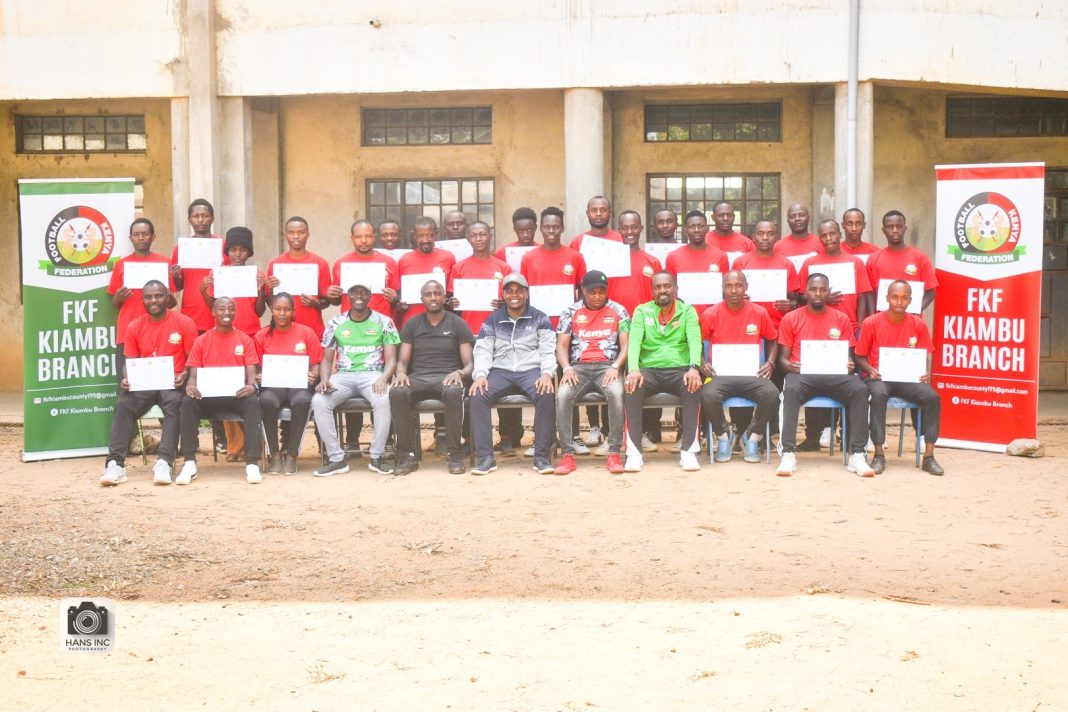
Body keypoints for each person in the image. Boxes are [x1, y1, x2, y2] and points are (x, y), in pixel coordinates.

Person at [775, 273, 875, 478]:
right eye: (813, 289)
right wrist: (792, 366)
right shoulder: (791, 318)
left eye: (822, 289)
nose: (818, 293)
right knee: (790, 390)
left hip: (834, 374)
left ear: (828, 292)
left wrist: (848, 365)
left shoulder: (841, 318)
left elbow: (850, 358)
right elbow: (782, 360)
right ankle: (788, 453)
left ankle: (858, 454)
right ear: (805, 292)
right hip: (803, 374)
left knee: (860, 389)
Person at [100, 281, 197, 486]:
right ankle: (115, 464)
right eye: (148, 297)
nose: (153, 301)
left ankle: (164, 461)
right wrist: (127, 378)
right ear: (143, 299)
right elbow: (130, 362)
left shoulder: (184, 323)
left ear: (168, 297)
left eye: (158, 296)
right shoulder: (135, 326)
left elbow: (193, 360)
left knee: (174, 405)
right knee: (123, 404)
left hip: (172, 382)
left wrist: (185, 375)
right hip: (144, 383)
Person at [468, 274, 557, 476]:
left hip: (531, 370)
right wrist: (481, 375)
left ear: (526, 293)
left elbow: (547, 350)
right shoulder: (492, 320)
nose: (514, 295)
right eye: (509, 291)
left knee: (546, 393)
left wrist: (546, 374)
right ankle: (486, 457)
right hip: (501, 371)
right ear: (504, 295)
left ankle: (541, 456)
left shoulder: (540, 318)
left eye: (519, 291)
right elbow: (482, 350)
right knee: (477, 395)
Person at [855, 281, 944, 476]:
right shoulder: (872, 322)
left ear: (911, 301)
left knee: (932, 397)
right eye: (895, 297)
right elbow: (859, 356)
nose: (899, 302)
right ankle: (878, 454)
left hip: (908, 379)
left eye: (904, 298)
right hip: (879, 378)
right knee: (877, 395)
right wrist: (870, 369)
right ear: (887, 298)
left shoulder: (918, 324)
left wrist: (924, 372)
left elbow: (924, 354)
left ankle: (929, 456)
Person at [312, 283, 399, 476]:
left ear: (370, 297)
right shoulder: (336, 322)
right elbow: (326, 359)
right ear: (347, 298)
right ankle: (336, 459)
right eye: (354, 293)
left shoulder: (384, 321)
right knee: (319, 401)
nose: (359, 296)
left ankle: (377, 457)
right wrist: (325, 379)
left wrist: (384, 378)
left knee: (384, 400)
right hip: (343, 376)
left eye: (364, 293)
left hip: (373, 374)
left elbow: (392, 359)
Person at [390, 280, 475, 475]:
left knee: (455, 391)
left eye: (437, 293)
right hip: (418, 377)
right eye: (428, 294)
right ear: (422, 299)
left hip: (447, 378)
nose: (433, 297)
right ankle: (407, 456)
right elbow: (402, 361)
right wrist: (401, 373)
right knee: (397, 392)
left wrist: (460, 373)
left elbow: (469, 364)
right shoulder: (412, 323)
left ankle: (454, 454)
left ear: (444, 297)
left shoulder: (457, 323)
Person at [199, 226, 268, 461]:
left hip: (250, 334)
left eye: (242, 250)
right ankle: (234, 445)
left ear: (249, 252)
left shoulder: (255, 274)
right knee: (226, 385)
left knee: (250, 389)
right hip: (225, 337)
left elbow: (260, 310)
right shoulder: (218, 274)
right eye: (233, 250)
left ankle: (255, 443)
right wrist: (203, 290)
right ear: (227, 252)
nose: (237, 254)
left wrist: (261, 289)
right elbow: (213, 308)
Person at [623, 271, 703, 473]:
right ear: (652, 291)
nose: (662, 290)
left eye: (667, 286)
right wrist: (633, 369)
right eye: (657, 287)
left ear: (675, 288)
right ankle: (634, 453)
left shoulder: (687, 311)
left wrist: (694, 367)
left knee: (693, 385)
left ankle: (688, 452)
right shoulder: (642, 311)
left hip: (680, 369)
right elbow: (634, 342)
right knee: (631, 388)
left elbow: (695, 340)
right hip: (649, 370)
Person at [177, 297, 263, 485]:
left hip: (236, 396)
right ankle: (189, 462)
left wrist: (251, 386)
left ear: (235, 312)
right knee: (187, 402)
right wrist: (191, 386)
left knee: (252, 402)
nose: (226, 313)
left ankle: (252, 463)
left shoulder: (245, 339)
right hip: (208, 397)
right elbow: (193, 377)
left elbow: (251, 373)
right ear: (213, 313)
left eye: (231, 309)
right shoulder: (202, 340)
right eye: (222, 309)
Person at [554, 270, 630, 475]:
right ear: (582, 291)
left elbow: (626, 346)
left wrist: (616, 366)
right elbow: (561, 346)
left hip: (608, 367)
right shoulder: (570, 312)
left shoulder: (619, 311)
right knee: (562, 395)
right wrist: (567, 367)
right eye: (592, 292)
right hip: (578, 368)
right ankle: (567, 455)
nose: (597, 296)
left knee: (616, 393)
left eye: (601, 292)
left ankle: (614, 453)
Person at [699, 271, 780, 463]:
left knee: (772, 394)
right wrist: (702, 362)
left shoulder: (759, 312)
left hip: (751, 374)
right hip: (720, 375)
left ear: (746, 287)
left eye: (738, 285)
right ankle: (724, 436)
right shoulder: (710, 314)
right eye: (729, 286)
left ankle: (753, 436)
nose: (734, 290)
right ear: (722, 288)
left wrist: (770, 362)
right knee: (707, 395)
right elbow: (696, 343)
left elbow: (774, 339)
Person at [569, 196, 622, 451]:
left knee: (609, 366)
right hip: (587, 314)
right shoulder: (578, 242)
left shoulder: (620, 240)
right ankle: (593, 426)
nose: (599, 213)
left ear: (610, 212)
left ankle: (613, 431)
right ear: (587, 212)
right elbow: (577, 282)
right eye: (594, 210)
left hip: (614, 311)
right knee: (588, 357)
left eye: (603, 209)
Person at [254, 292, 323, 476]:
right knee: (266, 401)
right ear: (272, 310)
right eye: (278, 309)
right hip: (273, 385)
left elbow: (316, 363)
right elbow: (256, 366)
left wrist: (314, 376)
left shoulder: (306, 332)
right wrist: (259, 376)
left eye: (287, 309)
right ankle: (274, 454)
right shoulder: (262, 335)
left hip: (299, 385)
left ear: (293, 311)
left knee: (302, 401)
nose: (282, 313)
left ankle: (292, 454)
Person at [107, 218, 176, 379]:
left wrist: (169, 299)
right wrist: (118, 297)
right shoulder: (121, 264)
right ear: (131, 238)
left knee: (159, 381)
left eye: (145, 234)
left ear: (153, 237)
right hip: (128, 331)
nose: (141, 238)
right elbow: (115, 303)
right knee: (128, 382)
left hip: (159, 331)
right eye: (136, 235)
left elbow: (172, 302)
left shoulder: (165, 263)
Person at [798, 219, 873, 335]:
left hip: (850, 326)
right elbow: (800, 298)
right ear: (820, 239)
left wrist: (860, 326)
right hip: (817, 325)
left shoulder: (856, 262)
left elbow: (862, 297)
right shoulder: (810, 263)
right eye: (824, 235)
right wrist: (822, 298)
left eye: (832, 234)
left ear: (840, 235)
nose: (828, 238)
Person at [265, 216, 332, 339]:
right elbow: (270, 303)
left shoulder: (320, 263)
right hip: (283, 331)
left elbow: (327, 302)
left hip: (312, 330)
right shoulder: (275, 264)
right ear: (286, 235)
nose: (296, 236)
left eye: (301, 232)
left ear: (308, 234)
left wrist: (315, 303)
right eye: (291, 232)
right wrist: (269, 288)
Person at [520, 206, 586, 329]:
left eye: (555, 227)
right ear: (540, 228)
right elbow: (524, 292)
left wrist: (575, 314)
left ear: (562, 228)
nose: (551, 230)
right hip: (537, 323)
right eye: (547, 227)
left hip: (568, 324)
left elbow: (583, 290)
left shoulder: (575, 257)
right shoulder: (528, 258)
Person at [169, 199, 227, 333]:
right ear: (189, 220)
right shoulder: (181, 249)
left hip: (219, 312)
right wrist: (176, 275)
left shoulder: (223, 246)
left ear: (212, 218)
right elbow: (178, 287)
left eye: (205, 216)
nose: (201, 220)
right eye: (196, 216)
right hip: (192, 313)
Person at [866, 210, 938, 313]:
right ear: (883, 230)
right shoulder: (874, 259)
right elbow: (870, 293)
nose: (895, 230)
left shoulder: (920, 258)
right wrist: (873, 317)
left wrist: (916, 310)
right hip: (882, 322)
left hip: (911, 322)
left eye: (899, 226)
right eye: (890, 227)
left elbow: (931, 291)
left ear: (905, 229)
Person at [330, 219, 400, 319]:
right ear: (352, 238)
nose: (363, 240)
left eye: (368, 236)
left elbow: (396, 296)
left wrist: (395, 298)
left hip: (380, 322)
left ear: (374, 237)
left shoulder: (389, 262)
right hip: (350, 323)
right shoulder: (340, 264)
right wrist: (332, 295)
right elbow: (337, 301)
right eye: (358, 237)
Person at [665, 210, 729, 317]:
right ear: (685, 230)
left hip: (714, 316)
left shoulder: (721, 256)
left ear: (707, 229)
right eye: (691, 227)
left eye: (700, 226)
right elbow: (670, 289)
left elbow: (726, 288)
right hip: (682, 317)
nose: (696, 230)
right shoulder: (673, 257)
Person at [396, 217, 456, 326]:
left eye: (430, 235)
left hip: (442, 321)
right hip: (412, 320)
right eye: (420, 236)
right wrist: (400, 303)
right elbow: (399, 293)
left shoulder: (448, 257)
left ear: (436, 234)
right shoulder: (404, 260)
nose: (425, 240)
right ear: (414, 236)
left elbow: (452, 292)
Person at [451, 220, 508, 334]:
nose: (478, 239)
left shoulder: (504, 267)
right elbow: (450, 301)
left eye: (482, 234)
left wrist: (503, 303)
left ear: (490, 236)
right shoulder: (458, 268)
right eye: (473, 235)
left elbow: (511, 300)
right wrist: (452, 302)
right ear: (468, 239)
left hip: (497, 331)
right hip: (467, 331)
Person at [773, 203, 823, 272]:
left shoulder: (820, 243)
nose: (797, 219)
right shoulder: (777, 247)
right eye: (792, 216)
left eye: (801, 215)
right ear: (788, 221)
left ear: (808, 218)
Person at [704, 201, 754, 268]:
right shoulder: (704, 241)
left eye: (729, 215)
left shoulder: (747, 243)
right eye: (721, 215)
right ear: (713, 217)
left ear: (734, 217)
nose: (726, 218)